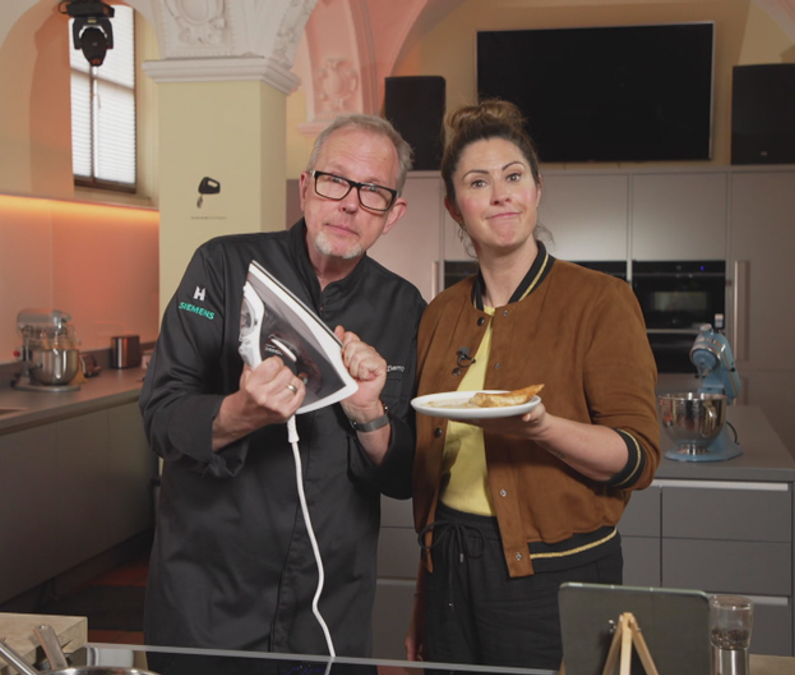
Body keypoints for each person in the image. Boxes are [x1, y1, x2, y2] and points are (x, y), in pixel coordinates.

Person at [138, 113, 426, 658]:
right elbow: (160, 417)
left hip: (329, 603)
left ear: (393, 214)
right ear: (306, 187)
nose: (348, 203)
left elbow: (407, 475)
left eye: (373, 192)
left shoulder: (406, 308)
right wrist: (240, 413)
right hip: (209, 598)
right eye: (335, 180)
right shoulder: (222, 265)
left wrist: (369, 414)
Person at [405, 100, 661, 670]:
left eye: (513, 176)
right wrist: (424, 599)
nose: (500, 194)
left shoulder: (600, 301)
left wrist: (541, 427)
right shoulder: (440, 315)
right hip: (449, 568)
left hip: (557, 577)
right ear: (454, 206)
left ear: (536, 190)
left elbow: (638, 459)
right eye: (478, 182)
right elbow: (433, 476)